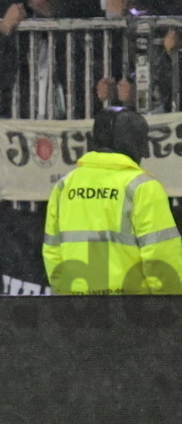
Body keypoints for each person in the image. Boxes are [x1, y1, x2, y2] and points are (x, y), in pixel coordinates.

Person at [42, 107, 182, 293]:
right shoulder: (143, 187)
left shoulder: (64, 185)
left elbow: (52, 252)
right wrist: (170, 304)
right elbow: (161, 257)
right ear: (135, 144)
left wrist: (68, 295)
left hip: (78, 305)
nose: (145, 154)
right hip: (131, 307)